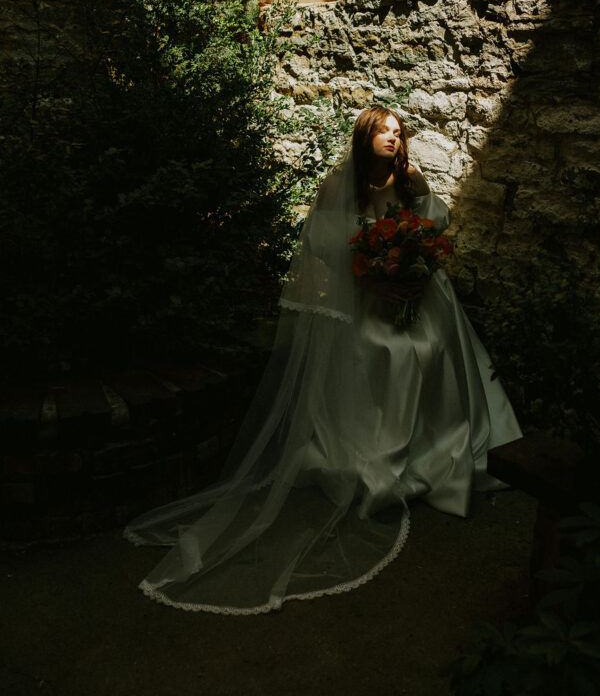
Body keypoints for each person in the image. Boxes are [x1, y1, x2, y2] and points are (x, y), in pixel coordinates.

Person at [124, 105, 521, 615]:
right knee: (384, 349)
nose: (394, 140)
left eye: (399, 133)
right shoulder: (341, 184)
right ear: (365, 138)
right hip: (364, 296)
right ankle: (375, 449)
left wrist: (412, 261)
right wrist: (374, 275)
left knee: (429, 346)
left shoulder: (410, 178)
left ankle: (436, 443)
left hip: (415, 293)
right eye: (384, 133)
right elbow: (324, 245)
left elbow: (431, 230)